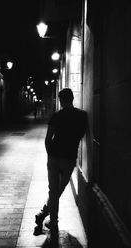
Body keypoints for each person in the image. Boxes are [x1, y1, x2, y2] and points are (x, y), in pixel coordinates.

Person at [34, 88, 88, 233]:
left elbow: (47, 139)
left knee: (53, 191)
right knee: (58, 190)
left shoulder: (56, 116)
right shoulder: (83, 116)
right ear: (72, 99)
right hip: (69, 159)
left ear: (61, 100)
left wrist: (50, 155)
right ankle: (49, 218)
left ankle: (46, 216)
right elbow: (81, 135)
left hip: (54, 158)